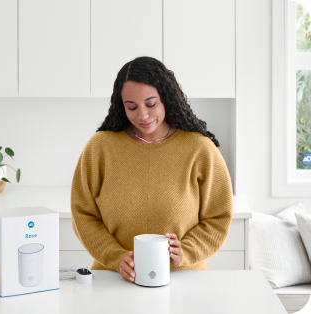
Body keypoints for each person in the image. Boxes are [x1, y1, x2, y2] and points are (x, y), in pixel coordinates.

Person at [70, 56, 233, 283]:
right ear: (121, 105)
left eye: (150, 103)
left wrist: (186, 251)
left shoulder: (200, 149)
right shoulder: (100, 147)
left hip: (184, 281)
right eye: (131, 107)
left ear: (166, 98)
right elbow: (82, 213)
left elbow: (218, 217)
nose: (143, 115)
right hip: (112, 279)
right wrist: (115, 256)